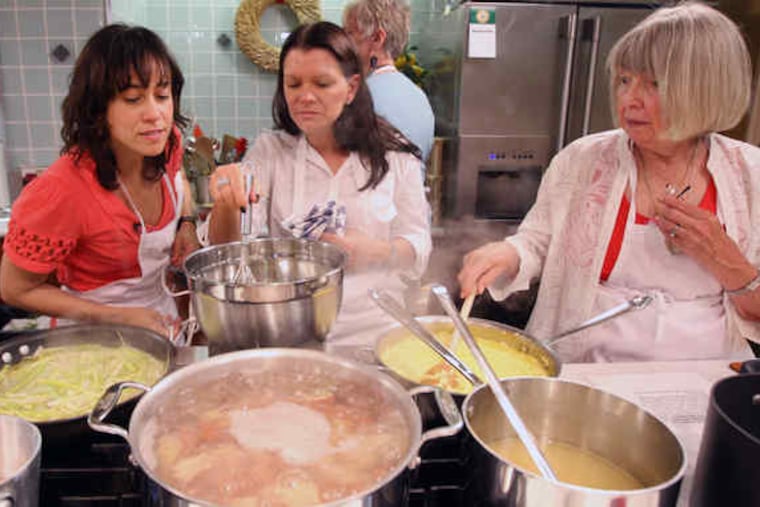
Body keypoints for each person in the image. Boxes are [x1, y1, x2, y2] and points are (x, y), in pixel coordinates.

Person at [457, 2, 760, 362]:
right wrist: (508, 253)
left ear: (705, 90)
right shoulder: (583, 160)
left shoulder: (750, 174)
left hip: (703, 381)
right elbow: (537, 241)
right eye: (624, 80)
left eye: (654, 84)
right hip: (586, 370)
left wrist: (731, 266)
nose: (629, 99)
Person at [209, 21, 431, 346]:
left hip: (375, 334)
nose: (305, 97)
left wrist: (379, 252)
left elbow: (419, 245)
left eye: (322, 84)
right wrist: (226, 202)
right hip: (288, 332)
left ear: (352, 88)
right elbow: (229, 253)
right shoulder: (270, 152)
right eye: (293, 84)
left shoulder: (394, 155)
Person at [0, 24, 200, 337]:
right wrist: (118, 316)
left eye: (162, 95)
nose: (155, 114)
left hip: (161, 319)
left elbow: (179, 176)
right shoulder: (62, 191)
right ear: (97, 109)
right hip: (90, 335)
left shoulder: (165, 143)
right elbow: (15, 290)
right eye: (134, 99)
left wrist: (186, 222)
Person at [343, 0, 435, 168]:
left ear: (377, 38)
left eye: (349, 34)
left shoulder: (360, 97)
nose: (344, 44)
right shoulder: (419, 97)